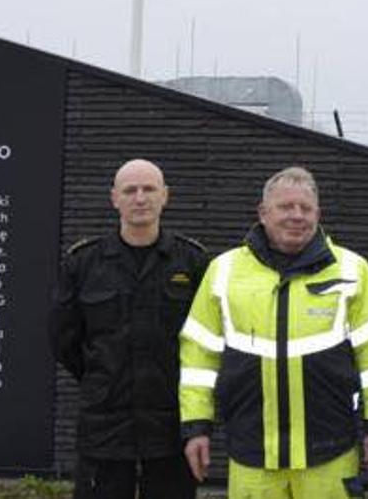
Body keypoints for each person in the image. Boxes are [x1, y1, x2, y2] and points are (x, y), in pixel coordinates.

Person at [177, 166, 368, 498]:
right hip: (253, 450)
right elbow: (198, 356)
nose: (297, 216)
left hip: (330, 450)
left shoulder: (353, 269)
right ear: (263, 213)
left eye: (305, 208)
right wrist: (196, 427)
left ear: (318, 214)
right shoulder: (223, 270)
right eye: (285, 207)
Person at [53, 159, 210, 499]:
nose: (140, 198)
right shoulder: (83, 263)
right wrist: (104, 377)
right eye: (130, 190)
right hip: (105, 424)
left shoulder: (193, 262)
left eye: (149, 189)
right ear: (114, 198)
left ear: (165, 196)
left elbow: (208, 339)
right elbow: (64, 340)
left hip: (170, 422)